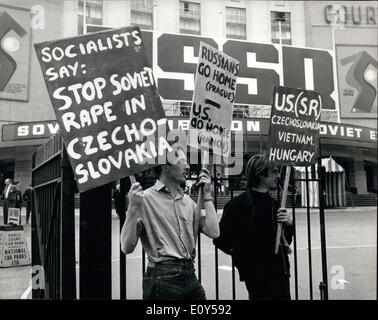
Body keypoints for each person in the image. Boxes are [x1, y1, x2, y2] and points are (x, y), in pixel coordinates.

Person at [121, 148, 219, 300]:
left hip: (190, 275)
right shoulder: (144, 199)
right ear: (165, 166)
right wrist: (132, 208)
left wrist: (207, 195)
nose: (187, 167)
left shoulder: (188, 202)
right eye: (181, 162)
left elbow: (214, 232)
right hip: (162, 276)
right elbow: (127, 247)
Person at [214, 153, 293, 300]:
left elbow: (285, 240)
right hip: (257, 276)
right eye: (274, 172)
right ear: (261, 175)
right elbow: (221, 240)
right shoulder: (238, 205)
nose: (278, 175)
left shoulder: (275, 205)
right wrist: (245, 260)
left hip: (280, 272)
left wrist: (288, 225)